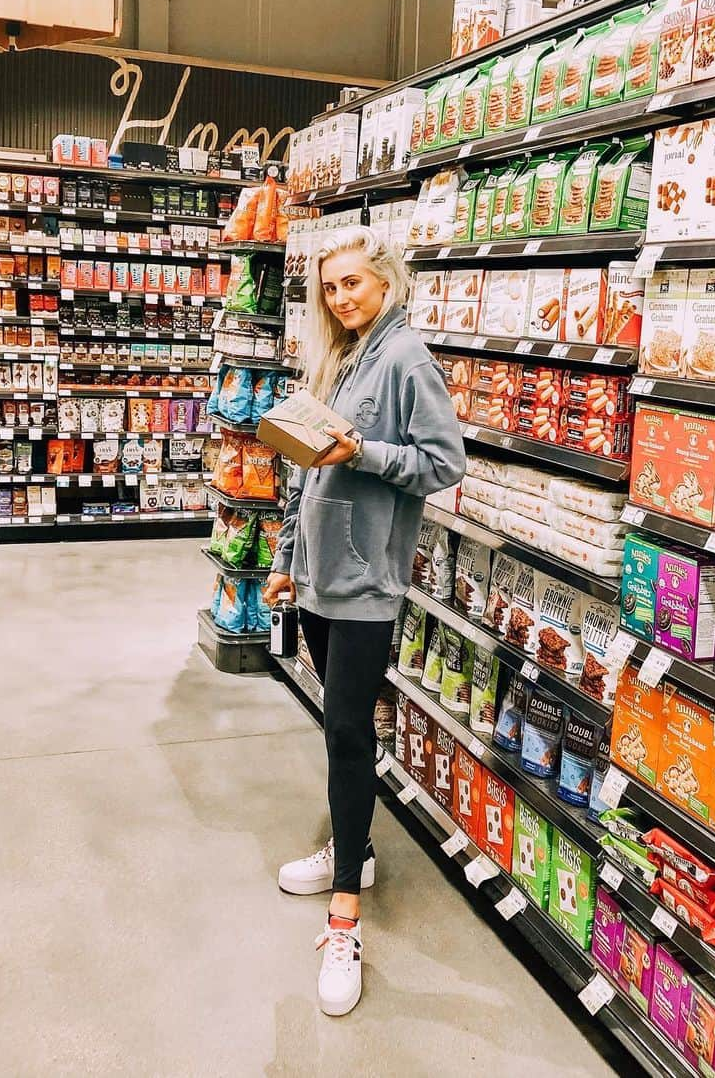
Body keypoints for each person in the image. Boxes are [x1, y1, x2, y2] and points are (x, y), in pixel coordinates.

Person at [264, 224, 465, 1017]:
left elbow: (443, 463)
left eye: (353, 283)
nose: (341, 297)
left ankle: (345, 914)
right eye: (331, 287)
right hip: (317, 576)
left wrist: (366, 454)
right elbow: (305, 473)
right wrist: (286, 556)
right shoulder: (341, 357)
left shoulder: (407, 358)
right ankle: (359, 848)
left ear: (385, 281)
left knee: (350, 732)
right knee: (337, 726)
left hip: (365, 582)